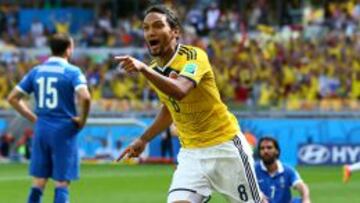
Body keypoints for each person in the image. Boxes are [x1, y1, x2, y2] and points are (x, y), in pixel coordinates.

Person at [115, 4, 262, 203]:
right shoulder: (154, 70)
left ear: (175, 32)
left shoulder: (194, 56)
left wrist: (143, 69)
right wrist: (143, 139)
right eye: (146, 28)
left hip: (225, 147)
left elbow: (181, 91)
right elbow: (170, 107)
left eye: (157, 26)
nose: (150, 32)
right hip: (191, 154)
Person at [7, 33, 91, 203]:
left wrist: (34, 118)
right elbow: (86, 97)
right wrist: (81, 121)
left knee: (39, 180)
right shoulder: (72, 71)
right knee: (61, 182)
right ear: (68, 49)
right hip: (64, 130)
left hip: (42, 129)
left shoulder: (37, 71)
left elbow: (12, 98)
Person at [255, 137, 311, 203]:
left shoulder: (287, 170)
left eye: (269, 147)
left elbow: (301, 186)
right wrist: (259, 195)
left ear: (277, 151)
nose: (265, 151)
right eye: (262, 148)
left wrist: (306, 199)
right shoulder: (253, 170)